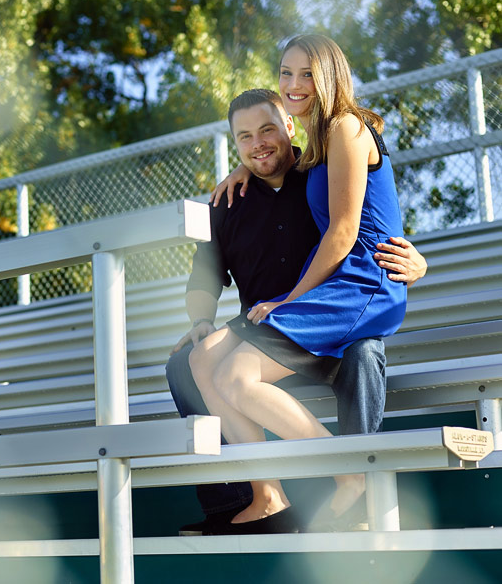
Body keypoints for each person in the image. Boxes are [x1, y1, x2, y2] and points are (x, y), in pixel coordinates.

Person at [166, 88, 426, 535]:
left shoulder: (320, 172)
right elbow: (203, 280)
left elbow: (365, 224)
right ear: (234, 144)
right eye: (244, 137)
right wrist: (201, 319)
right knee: (186, 361)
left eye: (268, 129)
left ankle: (360, 488)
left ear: (291, 126)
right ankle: (252, 499)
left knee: (365, 353)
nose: (258, 143)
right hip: (260, 329)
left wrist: (417, 262)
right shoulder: (227, 202)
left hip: (328, 318)